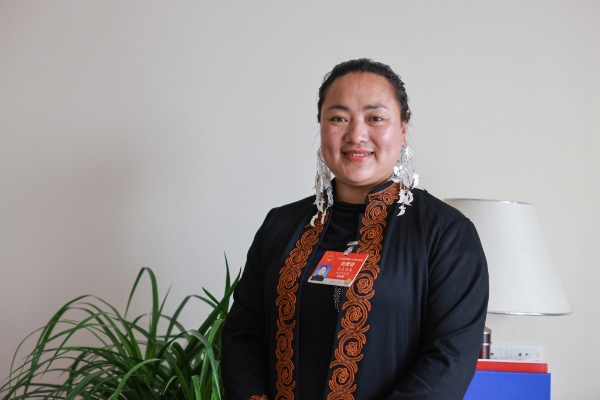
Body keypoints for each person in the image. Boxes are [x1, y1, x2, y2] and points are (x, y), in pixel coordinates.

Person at [222, 58, 489, 400]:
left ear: (403, 128)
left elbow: (449, 359)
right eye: (338, 118)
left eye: (375, 118)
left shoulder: (446, 234)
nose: (356, 135)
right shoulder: (281, 225)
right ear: (321, 127)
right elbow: (244, 336)